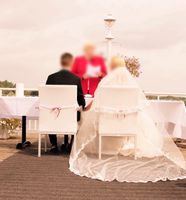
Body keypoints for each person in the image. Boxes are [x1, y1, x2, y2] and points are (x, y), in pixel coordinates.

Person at [69, 56, 186, 182]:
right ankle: (129, 144)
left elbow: (96, 104)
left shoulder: (104, 86)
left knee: (95, 118)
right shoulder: (133, 87)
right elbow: (139, 107)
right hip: (128, 125)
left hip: (107, 126)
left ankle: (105, 148)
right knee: (140, 120)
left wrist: (87, 108)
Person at [46, 53, 85, 153]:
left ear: (61, 63)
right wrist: (83, 105)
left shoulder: (51, 78)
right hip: (70, 115)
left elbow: (46, 98)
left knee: (50, 112)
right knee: (78, 114)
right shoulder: (76, 79)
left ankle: (54, 145)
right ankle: (71, 143)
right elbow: (80, 99)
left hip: (54, 114)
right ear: (71, 63)